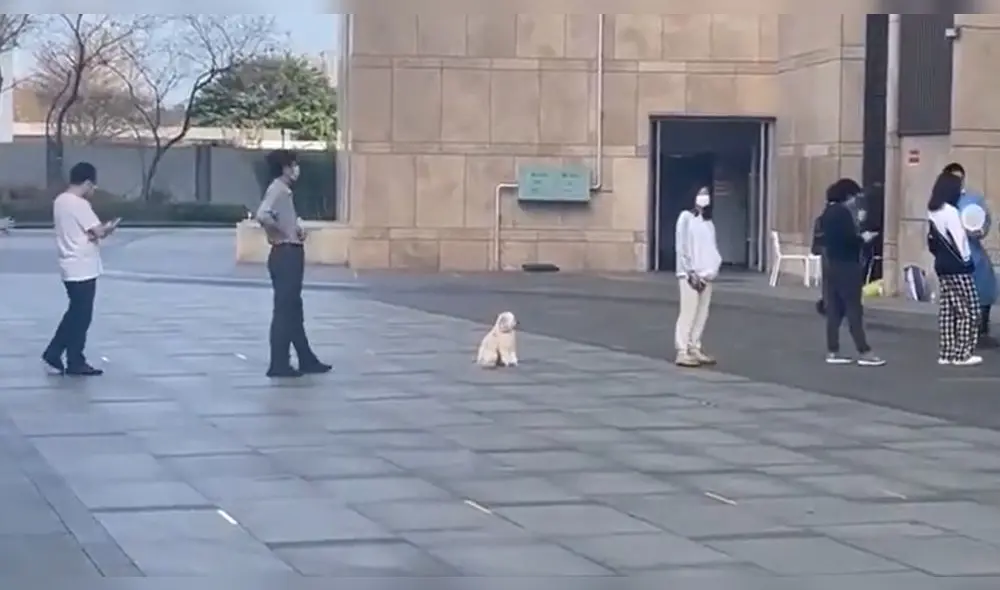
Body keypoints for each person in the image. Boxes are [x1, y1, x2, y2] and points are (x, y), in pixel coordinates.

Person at [256, 149, 331, 378]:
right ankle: (279, 363)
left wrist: (292, 229)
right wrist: (280, 232)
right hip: (286, 254)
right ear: (286, 167)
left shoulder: (283, 191)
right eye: (294, 165)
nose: (297, 169)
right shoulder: (278, 189)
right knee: (285, 310)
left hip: (289, 251)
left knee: (293, 310)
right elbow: (263, 214)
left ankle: (306, 358)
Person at [42, 162, 119, 376]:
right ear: (86, 182)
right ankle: (69, 357)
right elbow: (97, 231)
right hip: (83, 266)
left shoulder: (60, 201)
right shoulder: (79, 204)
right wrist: (109, 228)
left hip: (68, 263)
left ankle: (61, 354)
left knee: (75, 313)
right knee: (81, 316)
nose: (93, 191)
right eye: (92, 186)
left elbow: (83, 231)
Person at [817, 178, 885, 366]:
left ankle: (833, 350)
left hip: (832, 263)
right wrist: (864, 238)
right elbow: (849, 240)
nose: (855, 200)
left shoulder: (827, 213)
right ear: (847, 195)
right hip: (847, 264)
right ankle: (864, 351)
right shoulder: (842, 213)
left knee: (835, 309)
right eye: (854, 196)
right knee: (854, 308)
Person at [928, 171, 982, 366]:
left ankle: (946, 352)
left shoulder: (933, 211)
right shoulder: (951, 211)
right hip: (958, 265)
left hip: (942, 265)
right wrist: (968, 261)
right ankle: (963, 353)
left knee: (948, 309)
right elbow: (959, 240)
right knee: (971, 309)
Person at [944, 162, 998, 348]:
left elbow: (984, 223)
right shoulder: (941, 203)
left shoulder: (973, 200)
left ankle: (981, 327)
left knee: (984, 285)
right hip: (952, 254)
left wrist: (979, 230)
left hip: (974, 253)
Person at [674, 187, 722, 367]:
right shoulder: (686, 218)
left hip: (706, 274)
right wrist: (689, 272)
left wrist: (712, 268)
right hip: (690, 275)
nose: (704, 197)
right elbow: (682, 246)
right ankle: (682, 350)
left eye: (707, 194)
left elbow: (711, 248)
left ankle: (694, 346)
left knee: (702, 313)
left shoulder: (708, 223)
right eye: (701, 193)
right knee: (688, 312)